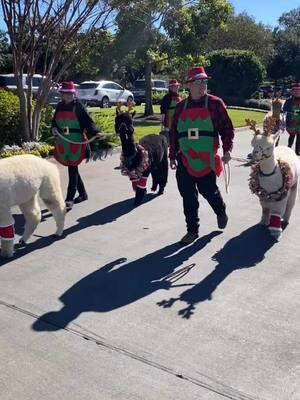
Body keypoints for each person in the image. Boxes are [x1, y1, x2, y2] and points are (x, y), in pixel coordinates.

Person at [169, 66, 234, 245]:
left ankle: (220, 210)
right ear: (189, 85)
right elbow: (174, 133)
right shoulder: (181, 107)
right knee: (188, 196)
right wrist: (172, 155)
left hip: (206, 160)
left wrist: (227, 150)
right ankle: (192, 230)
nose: (202, 85)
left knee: (208, 191)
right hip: (185, 159)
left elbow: (227, 129)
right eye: (198, 81)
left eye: (204, 81)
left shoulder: (215, 104)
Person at [52, 81, 102, 210]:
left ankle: (69, 199)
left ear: (74, 94)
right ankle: (83, 194)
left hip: (76, 141)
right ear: (62, 94)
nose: (67, 96)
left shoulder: (78, 106)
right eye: (65, 93)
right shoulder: (59, 106)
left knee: (72, 168)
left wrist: (96, 132)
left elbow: (88, 121)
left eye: (70, 94)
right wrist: (53, 128)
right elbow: (54, 122)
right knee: (72, 168)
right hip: (64, 141)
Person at [160, 79, 182, 144]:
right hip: (169, 119)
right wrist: (163, 120)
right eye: (173, 86)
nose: (175, 88)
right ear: (170, 88)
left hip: (179, 119)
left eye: (176, 86)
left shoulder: (179, 97)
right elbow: (163, 109)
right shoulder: (167, 98)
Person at [283, 83, 300, 155]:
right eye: (295, 90)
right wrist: (292, 111)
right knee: (292, 136)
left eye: (298, 90)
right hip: (291, 121)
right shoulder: (289, 100)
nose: (296, 92)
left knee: (299, 136)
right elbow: (284, 109)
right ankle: (289, 149)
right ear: (292, 91)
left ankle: (297, 151)